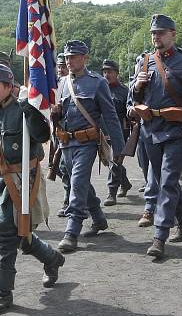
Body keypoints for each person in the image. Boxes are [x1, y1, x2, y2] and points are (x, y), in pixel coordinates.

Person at [0, 62, 65, 315]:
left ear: (9, 86)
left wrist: (30, 107)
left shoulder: (24, 109)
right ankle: (52, 259)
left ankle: (2, 293)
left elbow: (41, 136)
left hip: (23, 182)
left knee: (3, 235)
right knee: (21, 238)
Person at [128, 14, 182, 257]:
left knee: (169, 181)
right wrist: (136, 86)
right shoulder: (144, 61)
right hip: (150, 131)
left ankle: (160, 236)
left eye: (160, 33)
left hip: (175, 132)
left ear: (172, 34)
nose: (156, 37)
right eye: (153, 33)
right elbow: (133, 101)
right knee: (163, 182)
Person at [51, 40, 124, 253]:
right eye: (66, 57)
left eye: (73, 57)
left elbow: (110, 116)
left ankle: (71, 231)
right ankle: (99, 219)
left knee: (77, 182)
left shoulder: (98, 82)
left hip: (87, 142)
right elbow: (61, 114)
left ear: (85, 58)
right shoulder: (62, 83)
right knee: (78, 182)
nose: (69, 61)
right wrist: (56, 114)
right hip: (66, 142)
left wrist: (119, 147)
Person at [101, 59, 132, 205]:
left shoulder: (124, 91)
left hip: (121, 130)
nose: (107, 75)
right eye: (105, 72)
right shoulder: (100, 88)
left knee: (116, 160)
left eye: (110, 72)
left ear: (117, 73)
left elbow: (130, 112)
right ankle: (125, 183)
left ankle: (111, 192)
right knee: (109, 160)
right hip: (103, 130)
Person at [53, 52, 71, 216]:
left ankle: (69, 200)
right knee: (59, 167)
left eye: (63, 66)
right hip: (56, 131)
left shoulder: (73, 84)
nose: (61, 69)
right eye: (59, 66)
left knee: (66, 168)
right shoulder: (54, 85)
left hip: (69, 133)